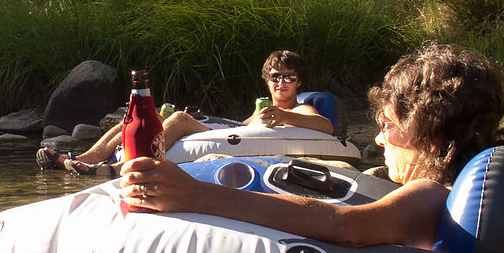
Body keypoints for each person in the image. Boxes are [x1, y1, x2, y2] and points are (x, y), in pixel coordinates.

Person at [0, 42, 504, 253]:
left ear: (428, 129)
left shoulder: (432, 198)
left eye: (390, 123)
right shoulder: (457, 192)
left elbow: (348, 228)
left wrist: (195, 197)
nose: (381, 136)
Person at [37, 50, 334, 174]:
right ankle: (85, 159)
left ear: (299, 81)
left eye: (288, 77)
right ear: (266, 79)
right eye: (275, 76)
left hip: (228, 136)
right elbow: (240, 129)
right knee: (141, 118)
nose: (280, 83)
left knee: (178, 120)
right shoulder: (262, 108)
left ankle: (119, 169)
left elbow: (325, 126)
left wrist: (287, 116)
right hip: (229, 130)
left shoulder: (299, 107)